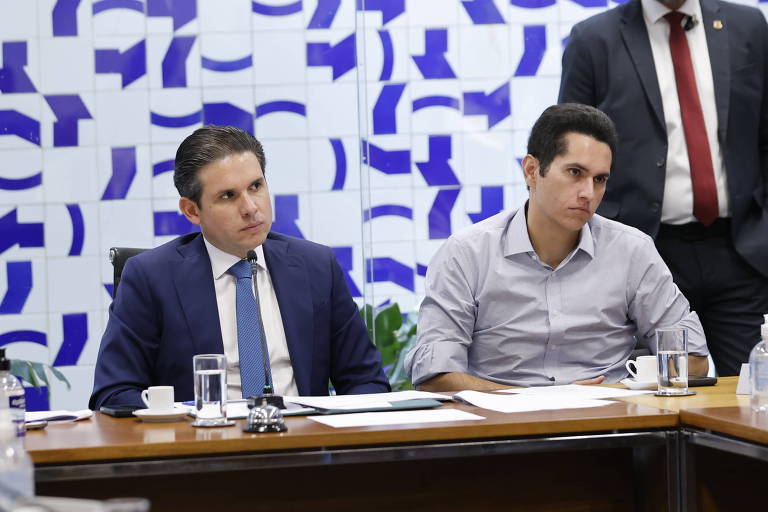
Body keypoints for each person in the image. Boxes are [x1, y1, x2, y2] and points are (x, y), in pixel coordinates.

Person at [405, 104, 708, 391]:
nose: (588, 193)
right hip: (500, 433)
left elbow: (693, 360)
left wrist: (620, 391)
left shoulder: (631, 251)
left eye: (600, 179)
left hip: (610, 427)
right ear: (532, 170)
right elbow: (435, 375)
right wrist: (541, 401)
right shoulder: (466, 254)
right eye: (575, 172)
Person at [90, 126, 389, 409]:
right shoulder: (150, 278)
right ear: (192, 210)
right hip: (204, 450)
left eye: (256, 186)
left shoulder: (316, 267)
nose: (250, 207)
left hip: (304, 445)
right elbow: (114, 393)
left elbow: (366, 381)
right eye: (227, 196)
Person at [558, 0, 768, 376]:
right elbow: (571, 151)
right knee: (655, 397)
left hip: (741, 251)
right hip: (643, 254)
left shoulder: (749, 26)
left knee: (752, 397)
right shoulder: (594, 39)